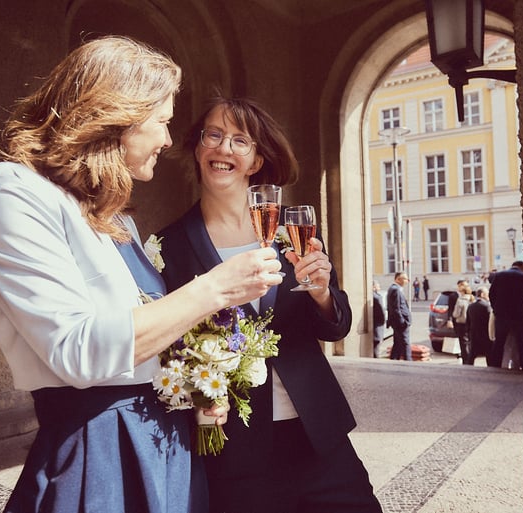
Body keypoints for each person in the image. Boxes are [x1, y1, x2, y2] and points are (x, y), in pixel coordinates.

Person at [0, 38, 283, 513]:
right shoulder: (11, 192)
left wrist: (193, 391)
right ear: (118, 115)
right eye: (163, 122)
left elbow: (144, 342)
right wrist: (214, 288)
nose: (170, 140)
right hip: (99, 447)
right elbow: (77, 351)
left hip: (168, 445)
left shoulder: (115, 219)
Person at [158, 96, 381, 513]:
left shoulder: (291, 229)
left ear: (257, 160)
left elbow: (337, 326)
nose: (224, 148)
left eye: (240, 141)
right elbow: (168, 343)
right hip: (235, 449)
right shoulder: (169, 247)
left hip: (318, 436)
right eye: (214, 135)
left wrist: (320, 292)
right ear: (198, 147)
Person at [487, 260, 523, 369]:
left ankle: (495, 365)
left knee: (499, 342)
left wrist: (496, 309)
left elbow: (491, 294)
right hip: (518, 315)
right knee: (521, 343)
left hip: (502, 316)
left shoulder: (499, 275)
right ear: (522, 267)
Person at [386, 272, 412, 361]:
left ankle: (393, 361)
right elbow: (395, 308)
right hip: (400, 324)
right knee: (405, 343)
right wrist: (403, 322)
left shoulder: (395, 288)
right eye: (405, 279)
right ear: (398, 279)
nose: (407, 281)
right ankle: (409, 364)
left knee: (397, 344)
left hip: (398, 323)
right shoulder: (395, 289)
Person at [466, 286, 493, 365]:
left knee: (472, 355)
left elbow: (468, 322)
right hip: (485, 335)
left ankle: (468, 368)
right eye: (487, 294)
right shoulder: (487, 306)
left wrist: (469, 333)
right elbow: (490, 322)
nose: (488, 296)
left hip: (474, 334)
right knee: (489, 355)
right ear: (482, 294)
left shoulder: (470, 306)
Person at [451, 279, 474, 364]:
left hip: (462, 324)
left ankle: (466, 360)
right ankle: (470, 359)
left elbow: (456, 314)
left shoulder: (460, 300)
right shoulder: (472, 299)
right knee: (469, 342)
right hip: (471, 324)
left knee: (463, 344)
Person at [372, 280, 386, 358]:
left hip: (376, 324)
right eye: (378, 285)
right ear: (374, 287)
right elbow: (381, 313)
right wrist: (383, 321)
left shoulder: (374, 296)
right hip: (377, 325)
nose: (379, 286)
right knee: (376, 345)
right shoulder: (377, 297)